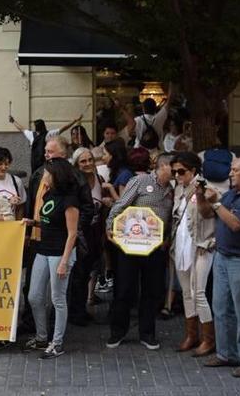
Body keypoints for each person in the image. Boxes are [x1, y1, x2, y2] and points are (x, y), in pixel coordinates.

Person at [105, 153, 175, 350]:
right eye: (173, 168)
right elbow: (121, 204)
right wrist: (110, 225)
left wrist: (167, 238)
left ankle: (147, 333)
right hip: (131, 244)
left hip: (155, 248)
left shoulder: (172, 190)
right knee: (125, 288)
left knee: (152, 291)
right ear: (163, 166)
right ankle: (117, 332)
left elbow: (171, 218)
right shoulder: (141, 181)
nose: (177, 172)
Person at [199, 157, 240, 377]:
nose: (231, 173)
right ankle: (226, 353)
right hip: (222, 256)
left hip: (239, 259)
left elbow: (235, 224)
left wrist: (216, 203)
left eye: (236, 170)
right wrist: (202, 197)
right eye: (231, 170)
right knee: (221, 307)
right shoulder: (231, 194)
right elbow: (207, 214)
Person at [24, 157, 79, 359]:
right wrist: (33, 223)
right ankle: (41, 337)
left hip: (59, 254)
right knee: (34, 296)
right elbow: (48, 222)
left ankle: (57, 343)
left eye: (47, 173)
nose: (43, 176)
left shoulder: (70, 200)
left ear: (56, 175)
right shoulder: (48, 195)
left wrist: (65, 261)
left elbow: (72, 233)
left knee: (58, 299)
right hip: (43, 249)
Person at [170, 152, 216, 356]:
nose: (177, 175)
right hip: (180, 244)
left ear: (194, 170)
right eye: (174, 171)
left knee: (199, 292)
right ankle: (191, 335)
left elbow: (207, 213)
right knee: (187, 292)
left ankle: (208, 339)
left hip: (201, 245)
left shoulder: (204, 187)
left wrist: (199, 194)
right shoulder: (178, 188)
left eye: (181, 171)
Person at [68, 147, 112, 326]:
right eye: (83, 161)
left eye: (90, 160)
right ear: (77, 164)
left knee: (87, 272)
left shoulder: (100, 180)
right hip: (79, 233)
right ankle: (74, 312)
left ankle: (81, 309)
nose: (87, 164)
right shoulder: (74, 182)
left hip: (95, 231)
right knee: (77, 273)